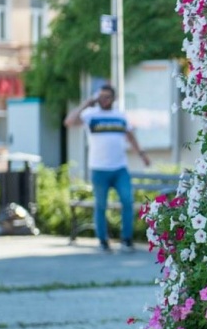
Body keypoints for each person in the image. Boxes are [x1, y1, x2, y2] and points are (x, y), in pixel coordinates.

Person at [64, 84, 150, 253]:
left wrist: (142, 154)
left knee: (127, 201)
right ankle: (103, 240)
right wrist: (86, 103)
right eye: (101, 97)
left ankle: (126, 239)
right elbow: (69, 121)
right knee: (101, 205)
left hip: (120, 168)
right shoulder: (90, 115)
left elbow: (130, 136)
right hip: (99, 168)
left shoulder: (120, 116)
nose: (103, 100)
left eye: (107, 97)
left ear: (113, 98)